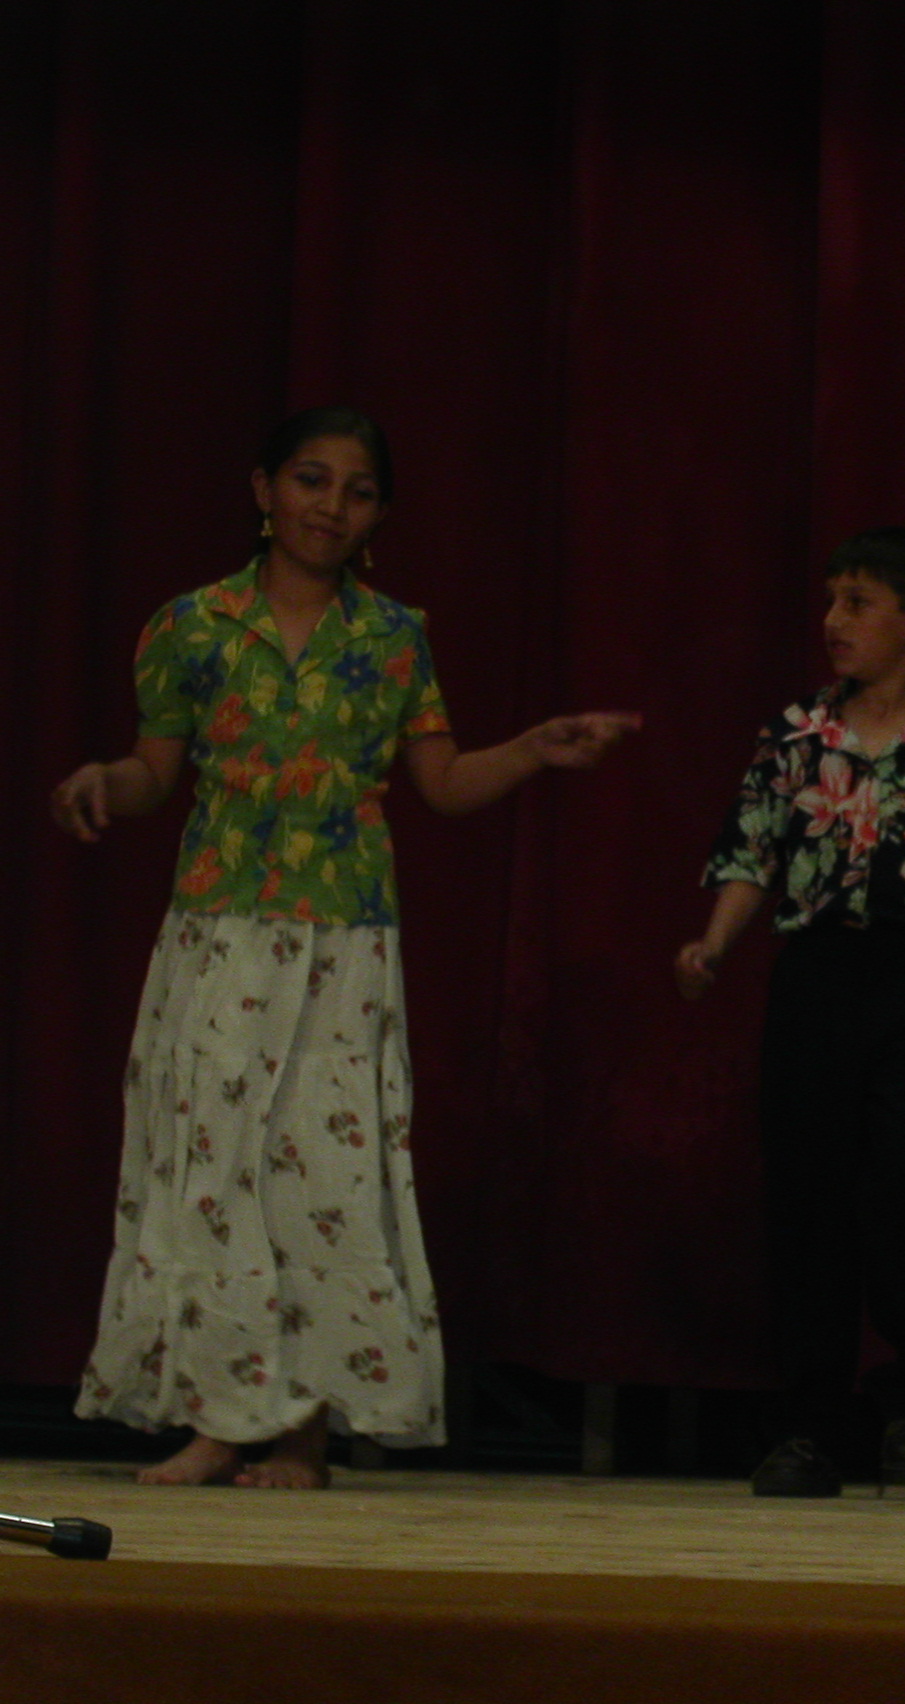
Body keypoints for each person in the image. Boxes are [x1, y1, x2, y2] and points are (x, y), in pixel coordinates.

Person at [52, 407, 639, 1488]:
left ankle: (304, 1431)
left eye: (358, 491)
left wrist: (532, 750)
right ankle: (220, 1415)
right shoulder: (191, 624)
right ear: (263, 489)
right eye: (311, 480)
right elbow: (153, 772)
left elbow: (443, 782)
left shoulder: (392, 635)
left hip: (342, 936)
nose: (331, 506)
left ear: (378, 516)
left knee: (321, 1173)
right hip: (220, 927)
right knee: (212, 1170)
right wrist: (103, 782)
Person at [677, 527, 905, 1497]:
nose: (833, 620)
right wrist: (714, 943)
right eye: (831, 599)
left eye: (858, 603)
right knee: (809, 1190)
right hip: (818, 979)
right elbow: (752, 852)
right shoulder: (795, 735)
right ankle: (813, 1419)